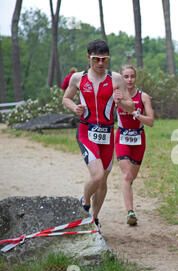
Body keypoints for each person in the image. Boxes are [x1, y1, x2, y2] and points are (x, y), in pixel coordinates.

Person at [62, 39, 134, 230]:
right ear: (89, 57)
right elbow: (66, 98)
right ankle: (84, 203)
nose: (101, 63)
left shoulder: (116, 79)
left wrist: (121, 101)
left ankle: (94, 219)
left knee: (103, 181)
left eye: (104, 59)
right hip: (87, 131)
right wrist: (74, 107)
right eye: (96, 59)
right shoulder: (78, 78)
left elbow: (131, 105)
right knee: (97, 175)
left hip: (108, 134)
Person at [115, 65, 154, 226]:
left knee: (131, 178)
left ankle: (127, 193)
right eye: (126, 76)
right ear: (121, 78)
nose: (129, 80)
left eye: (132, 76)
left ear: (135, 78)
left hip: (138, 139)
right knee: (127, 176)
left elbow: (151, 121)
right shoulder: (116, 94)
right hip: (122, 137)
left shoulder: (143, 97)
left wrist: (137, 114)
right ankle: (130, 212)